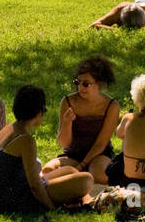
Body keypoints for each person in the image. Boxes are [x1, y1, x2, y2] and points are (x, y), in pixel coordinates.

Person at [0, 85, 94, 214]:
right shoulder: (25, 140)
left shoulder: (9, 128)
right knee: (86, 180)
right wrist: (51, 209)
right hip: (19, 198)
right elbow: (34, 186)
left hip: (5, 193)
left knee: (70, 170)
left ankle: (85, 202)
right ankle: (85, 203)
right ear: (38, 112)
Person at [44, 55, 120, 185]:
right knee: (47, 171)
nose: (80, 88)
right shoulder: (68, 101)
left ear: (99, 84)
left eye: (86, 84)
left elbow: (101, 143)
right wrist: (67, 123)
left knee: (100, 176)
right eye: (77, 82)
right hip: (73, 154)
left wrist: (81, 166)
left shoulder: (111, 106)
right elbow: (64, 143)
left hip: (99, 155)